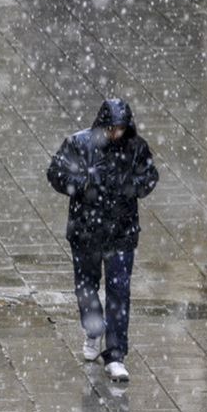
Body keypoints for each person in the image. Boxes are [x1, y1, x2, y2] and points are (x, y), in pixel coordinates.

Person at [46, 99, 158, 381]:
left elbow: (149, 176)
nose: (115, 134)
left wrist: (132, 187)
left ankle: (116, 354)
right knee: (87, 287)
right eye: (111, 129)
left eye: (120, 129)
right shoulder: (78, 144)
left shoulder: (136, 148)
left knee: (119, 292)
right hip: (86, 232)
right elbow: (56, 173)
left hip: (121, 233)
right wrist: (83, 182)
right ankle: (94, 329)